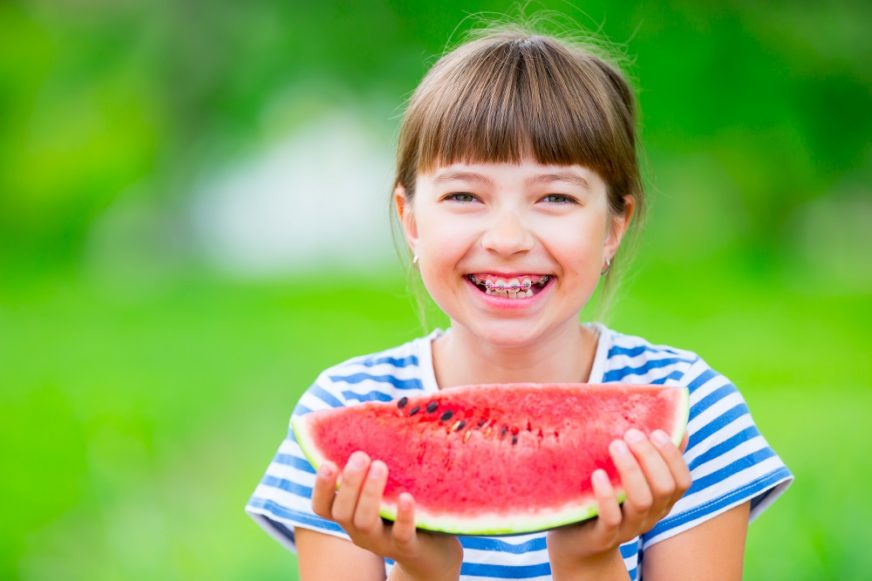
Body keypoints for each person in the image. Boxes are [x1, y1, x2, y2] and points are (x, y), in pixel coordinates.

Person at [246, 23, 793, 580]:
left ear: (613, 225)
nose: (507, 239)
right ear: (411, 220)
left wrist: (589, 561)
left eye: (556, 196)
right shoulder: (340, 411)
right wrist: (423, 571)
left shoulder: (693, 412)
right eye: (464, 195)